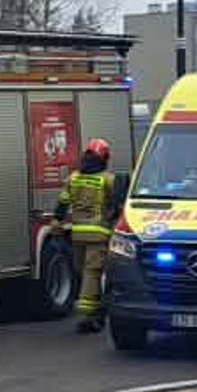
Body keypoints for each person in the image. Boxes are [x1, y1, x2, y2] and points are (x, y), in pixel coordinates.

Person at [54, 139, 122, 333]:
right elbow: (118, 206)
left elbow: (62, 202)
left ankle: (94, 313)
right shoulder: (108, 180)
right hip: (99, 235)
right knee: (93, 273)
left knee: (82, 271)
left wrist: (57, 220)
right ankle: (89, 315)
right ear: (104, 158)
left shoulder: (74, 178)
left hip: (77, 234)